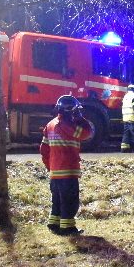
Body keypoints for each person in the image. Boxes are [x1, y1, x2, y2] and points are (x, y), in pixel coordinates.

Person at [40, 95, 94, 235]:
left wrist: (50, 166)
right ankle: (68, 228)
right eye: (76, 111)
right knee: (69, 201)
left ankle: (54, 224)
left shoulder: (50, 125)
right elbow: (87, 133)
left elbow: (44, 149)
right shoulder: (69, 125)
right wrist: (81, 118)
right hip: (68, 171)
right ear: (72, 110)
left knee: (57, 200)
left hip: (55, 171)